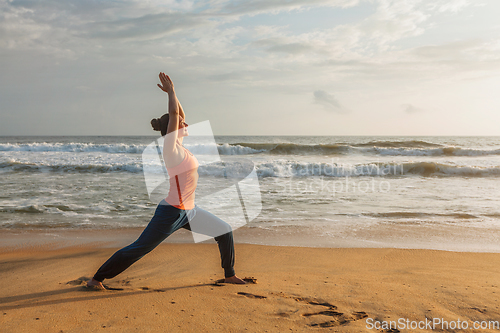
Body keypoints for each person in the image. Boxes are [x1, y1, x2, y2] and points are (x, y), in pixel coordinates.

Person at [87, 72, 246, 289]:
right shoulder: (170, 149)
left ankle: (229, 275)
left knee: (224, 231)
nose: (186, 121)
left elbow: (178, 112)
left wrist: (175, 92)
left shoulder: (181, 147)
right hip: (171, 212)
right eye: (182, 122)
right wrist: (170, 93)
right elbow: (174, 113)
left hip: (190, 210)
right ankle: (96, 279)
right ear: (173, 128)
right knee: (140, 248)